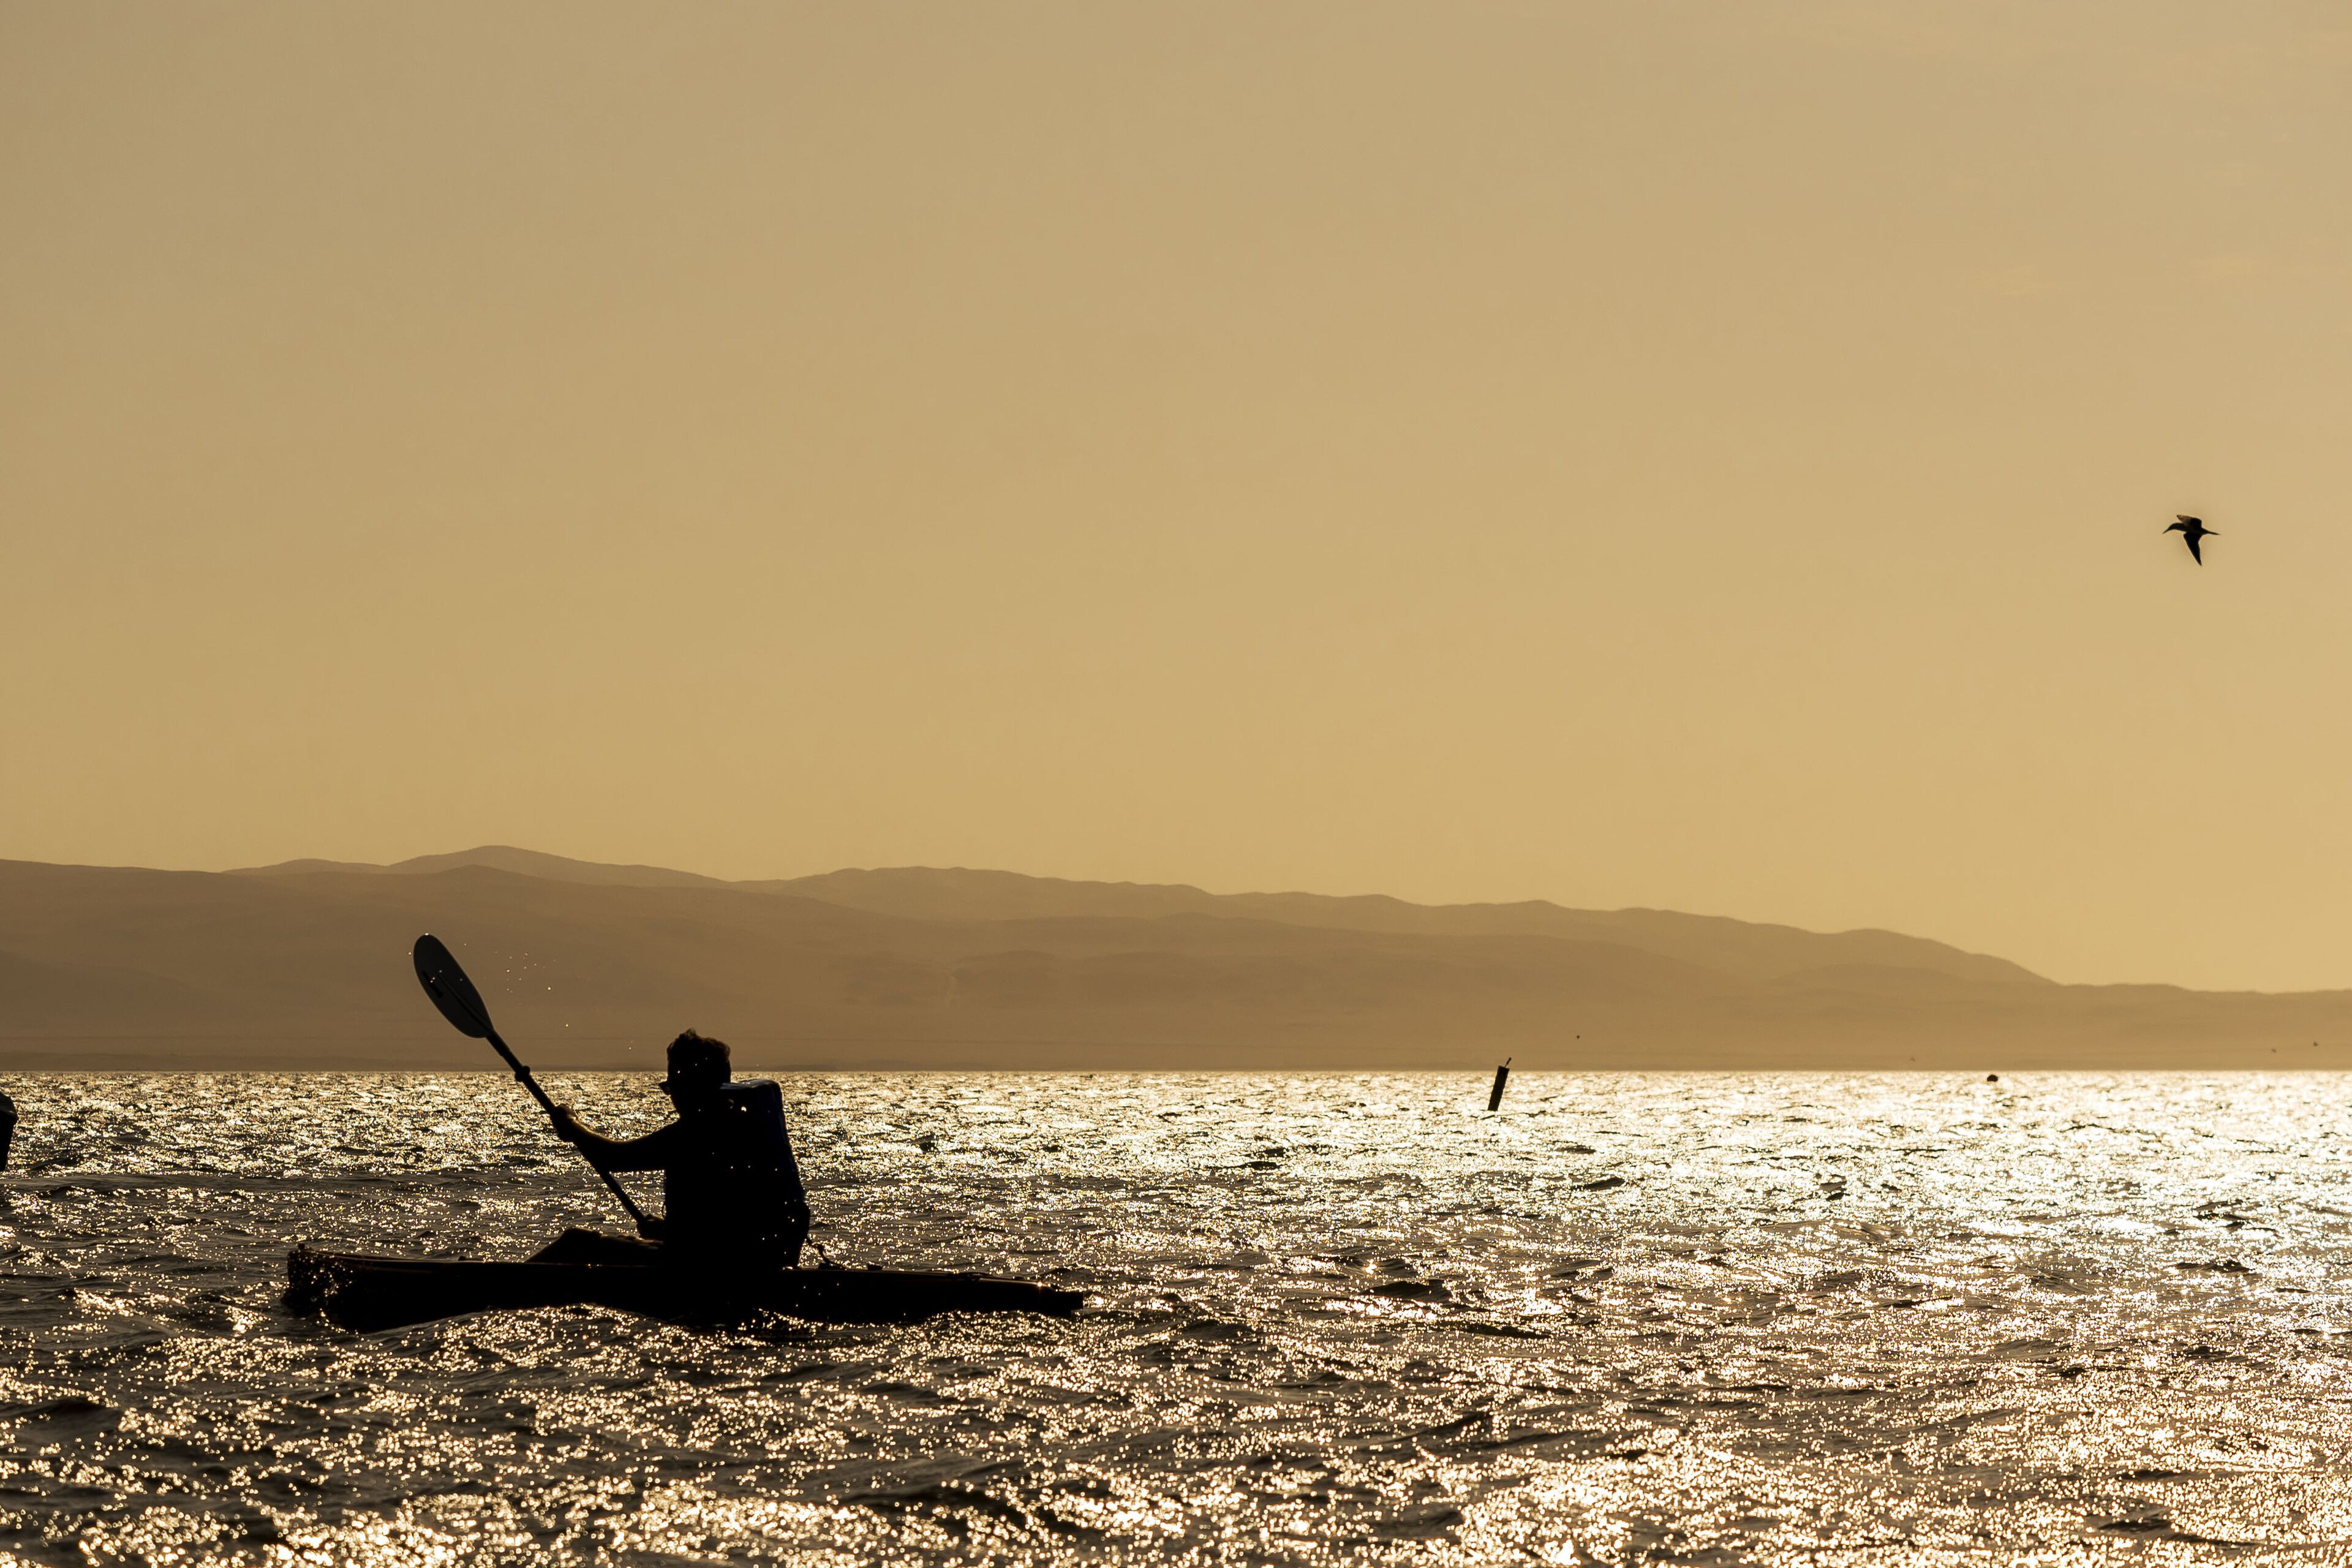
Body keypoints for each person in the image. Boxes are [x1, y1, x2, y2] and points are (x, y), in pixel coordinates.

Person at [538, 1031, 810, 1273]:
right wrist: (667, 1231)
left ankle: (497, 1291)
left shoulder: (695, 1133)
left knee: (575, 1244)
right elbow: (725, 1225)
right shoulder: (742, 1125)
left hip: (712, 1270)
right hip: (748, 1260)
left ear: (691, 1087)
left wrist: (572, 1126)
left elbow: (613, 1158)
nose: (674, 1099)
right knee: (634, 1242)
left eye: (673, 1089)